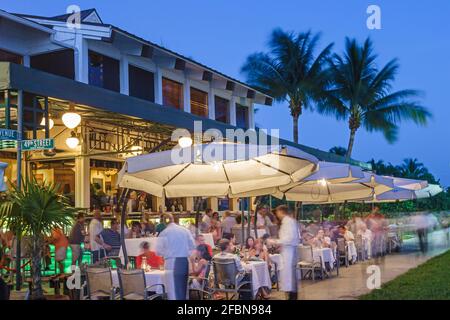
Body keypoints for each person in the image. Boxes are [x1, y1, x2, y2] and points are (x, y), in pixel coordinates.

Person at [156, 213, 195, 300]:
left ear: (164, 222)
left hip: (172, 263)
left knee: (173, 290)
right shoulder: (185, 230)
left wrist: (167, 252)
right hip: (184, 261)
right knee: (184, 289)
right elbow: (192, 246)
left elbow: (158, 251)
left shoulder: (164, 233)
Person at [267, 205, 300, 300]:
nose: (276, 214)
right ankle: (290, 296)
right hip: (287, 252)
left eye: (277, 212)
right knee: (288, 280)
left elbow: (288, 239)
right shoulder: (286, 222)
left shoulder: (288, 222)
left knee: (291, 280)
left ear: (281, 211)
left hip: (290, 253)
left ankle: (292, 298)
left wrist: (275, 241)